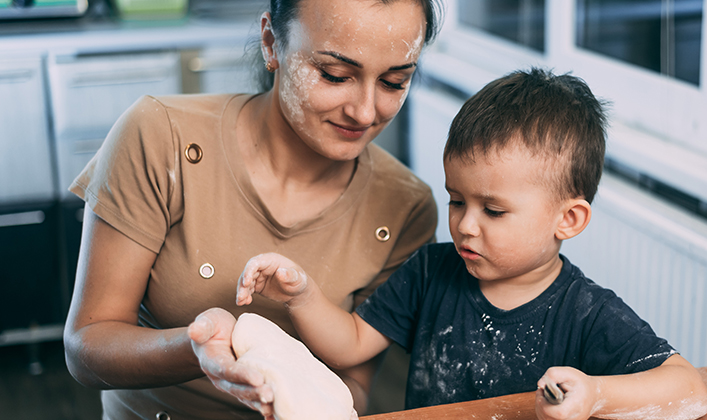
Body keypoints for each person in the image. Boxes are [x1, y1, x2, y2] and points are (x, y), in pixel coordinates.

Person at [235, 68, 707, 420]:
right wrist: (303, 296)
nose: (465, 225)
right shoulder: (430, 271)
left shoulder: (586, 313)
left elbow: (688, 387)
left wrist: (596, 394)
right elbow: (351, 344)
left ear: (568, 219)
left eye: (494, 211)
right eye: (456, 201)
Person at [62, 0, 442, 418]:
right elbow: (87, 348)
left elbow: (353, 387)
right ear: (270, 42)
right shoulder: (159, 136)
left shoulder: (405, 207)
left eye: (393, 82)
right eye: (335, 75)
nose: (365, 112)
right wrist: (197, 347)